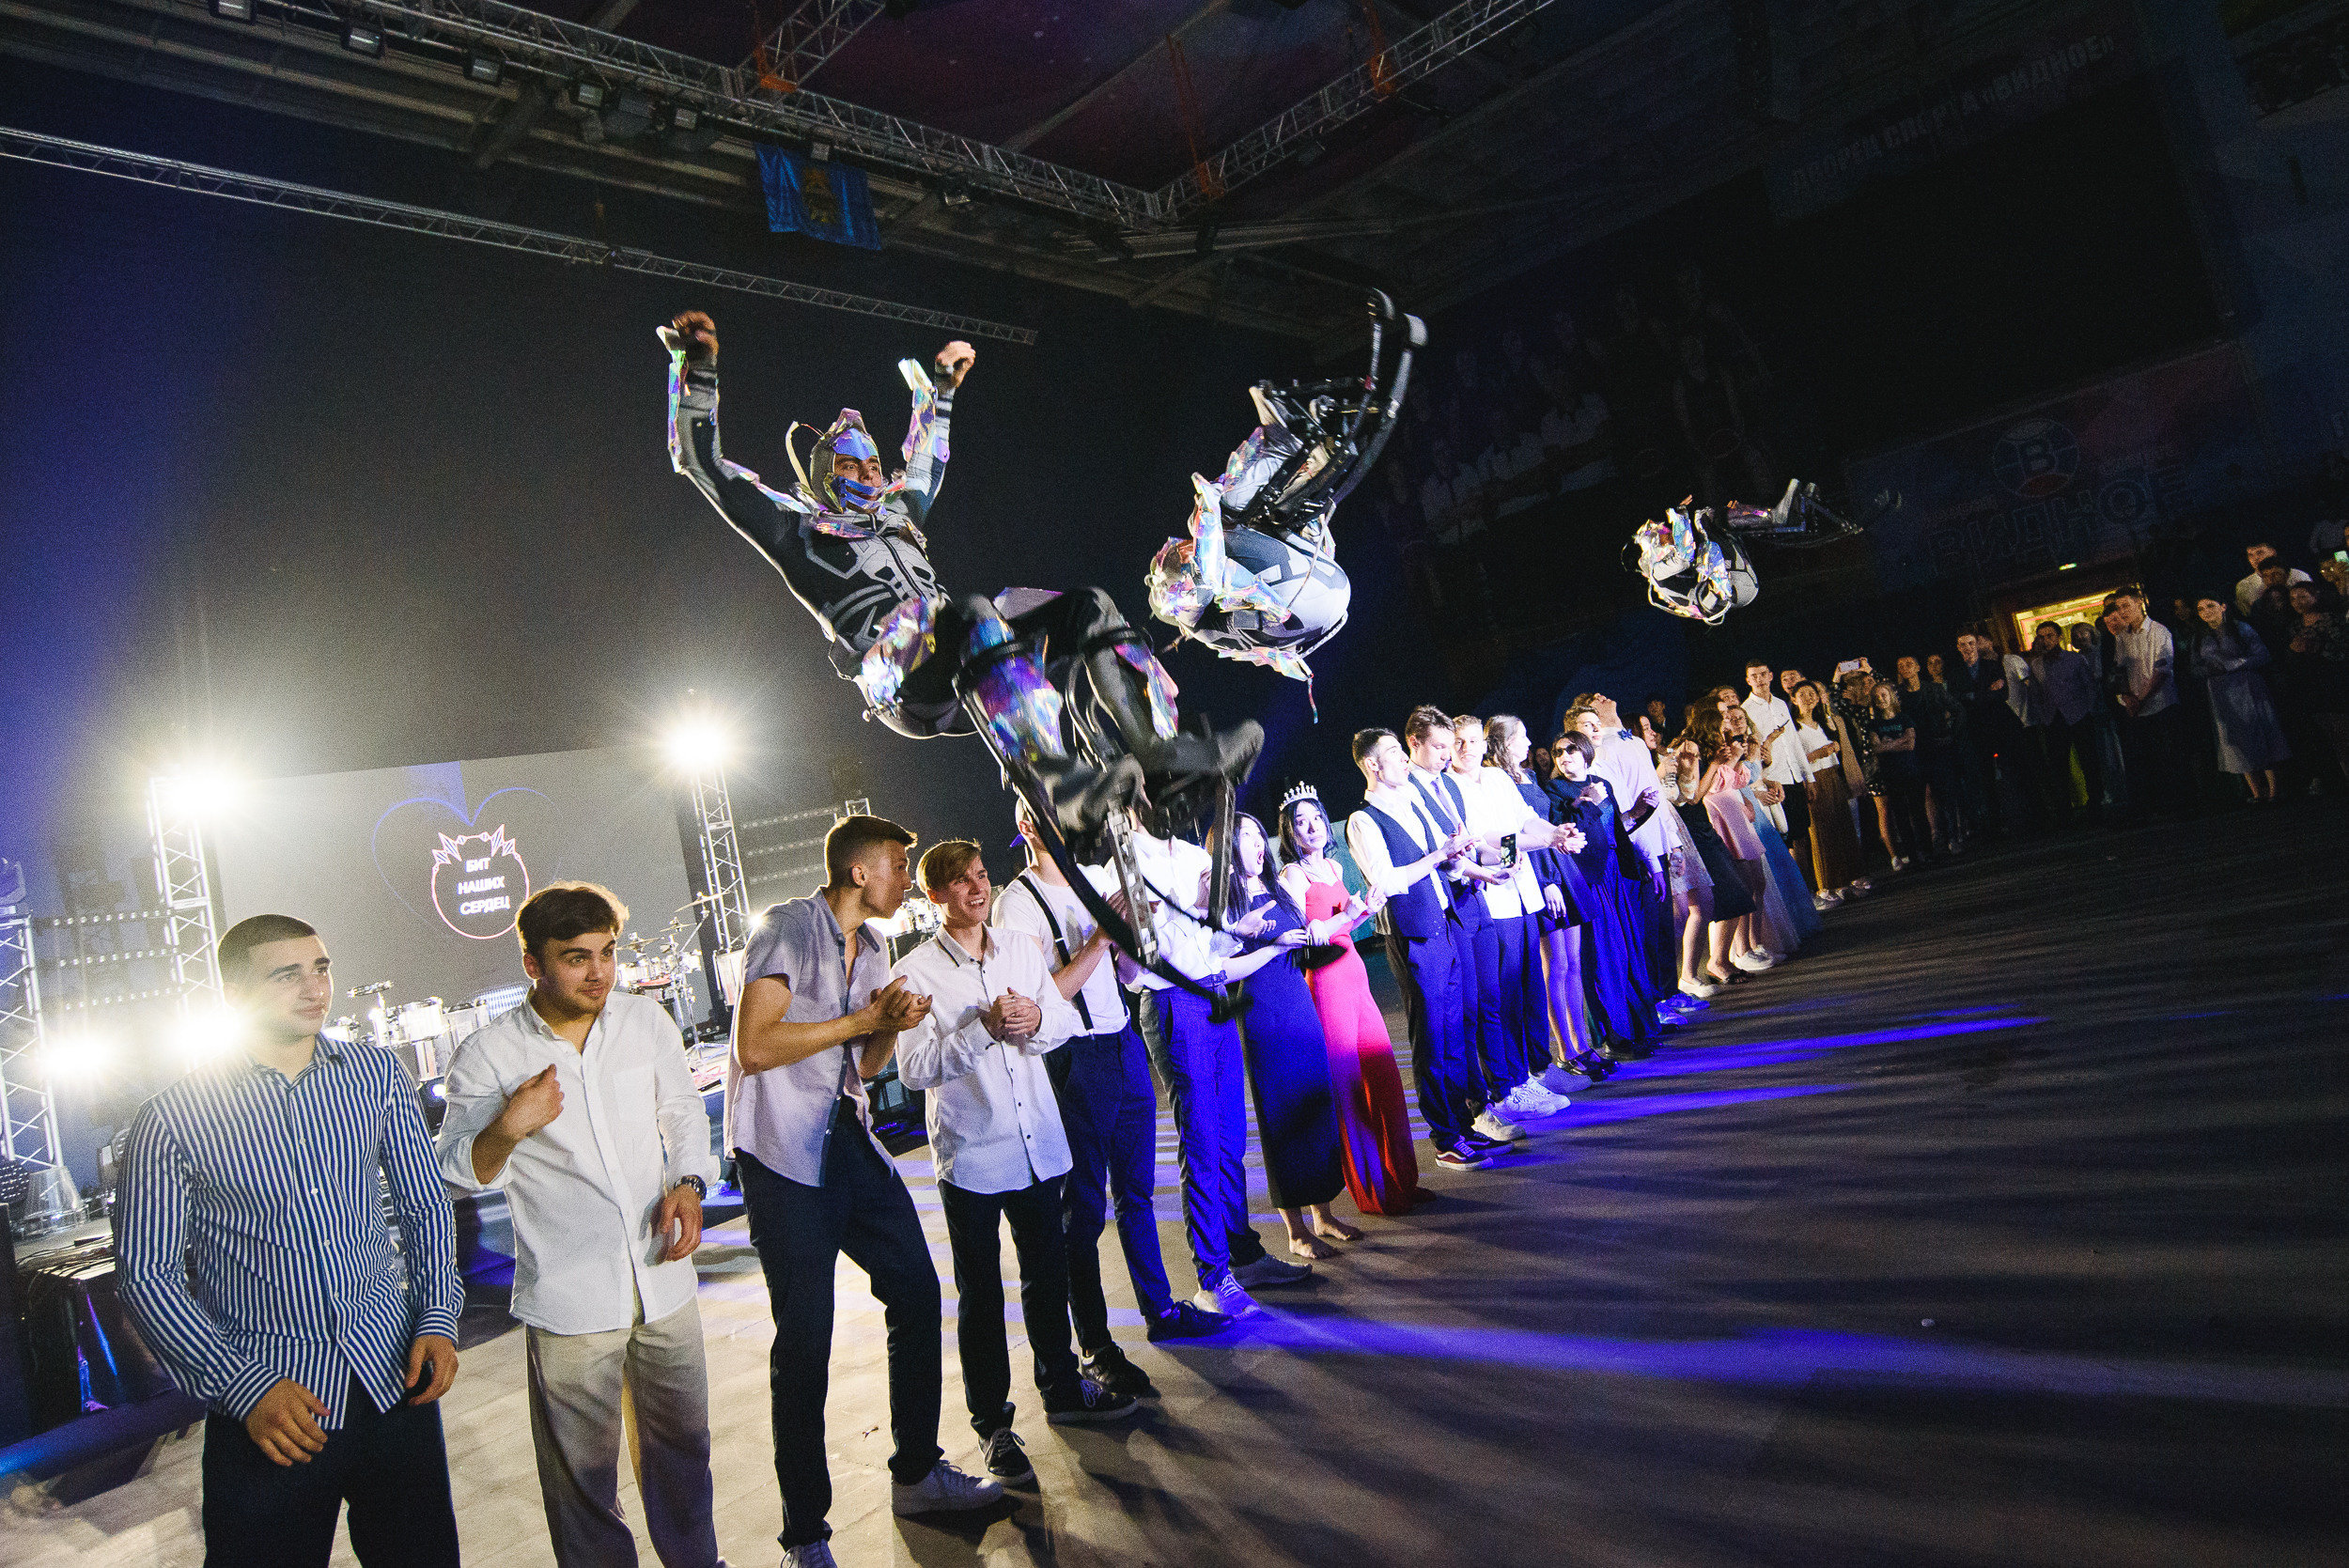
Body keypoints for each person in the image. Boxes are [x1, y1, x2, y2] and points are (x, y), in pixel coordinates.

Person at [658, 309, 1254, 852]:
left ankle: (1165, 757)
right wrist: (697, 368)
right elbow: (702, 465)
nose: (868, 474)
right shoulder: (796, 530)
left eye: (872, 464)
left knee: (1087, 605)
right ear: (823, 476)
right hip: (901, 678)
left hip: (971, 652)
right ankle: (1068, 793)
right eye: (850, 466)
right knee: (969, 609)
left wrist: (939, 393)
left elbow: (925, 465)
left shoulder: (899, 516)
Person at [117, 915, 462, 1567]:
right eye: (287, 974)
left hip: (396, 1379)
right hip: (274, 1405)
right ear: (235, 994)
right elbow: (147, 1276)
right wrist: (243, 1386)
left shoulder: (373, 1074)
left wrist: (438, 1316)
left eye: (321, 967)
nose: (315, 988)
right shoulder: (173, 1118)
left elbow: (424, 1204)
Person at [727, 815, 1000, 1567]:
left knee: (916, 1289)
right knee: (806, 1339)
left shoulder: (877, 946)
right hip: (781, 1151)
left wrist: (891, 1024)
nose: (907, 874)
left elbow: (868, 1060)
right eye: (900, 862)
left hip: (845, 1135)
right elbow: (755, 1046)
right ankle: (805, 1535)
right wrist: (864, 1016)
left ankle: (916, 1471)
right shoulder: (789, 927)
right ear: (859, 871)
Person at [433, 884, 721, 1568]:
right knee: (583, 1486)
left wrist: (688, 1181)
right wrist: (508, 1124)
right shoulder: (488, 1055)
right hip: (571, 1297)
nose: (599, 972)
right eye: (576, 957)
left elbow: (682, 1109)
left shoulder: (644, 1021)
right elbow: (453, 1170)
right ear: (533, 965)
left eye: (607, 952)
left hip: (664, 1275)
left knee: (685, 1454)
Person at [892, 842, 1138, 1485]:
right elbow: (914, 1068)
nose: (976, 886)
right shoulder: (916, 971)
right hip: (973, 1149)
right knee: (981, 1291)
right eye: (959, 880)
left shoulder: (1020, 949)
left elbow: (1059, 1024)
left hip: (1039, 1141)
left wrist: (1034, 1018)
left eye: (980, 874)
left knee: (1046, 1272)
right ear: (934, 896)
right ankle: (993, 1426)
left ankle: (1061, 1385)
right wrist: (984, 1030)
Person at [992, 805, 1225, 1373]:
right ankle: (1097, 1346)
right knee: (1085, 1211)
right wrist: (1100, 938)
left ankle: (1161, 1310)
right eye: (1052, 818)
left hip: (1121, 1038)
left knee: (1138, 1192)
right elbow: (1039, 1000)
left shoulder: (1089, 882)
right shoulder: (1017, 904)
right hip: (1075, 1058)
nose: (1070, 827)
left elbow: (1118, 974)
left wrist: (1129, 940)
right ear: (1027, 826)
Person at [1125, 821, 1311, 1321]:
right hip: (1170, 1001)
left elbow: (1214, 950)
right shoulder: (1120, 862)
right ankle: (1213, 1276)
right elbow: (1132, 964)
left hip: (1213, 997)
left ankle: (1243, 1256)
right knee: (1203, 1143)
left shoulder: (1190, 855)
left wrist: (1234, 931)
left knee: (1231, 1141)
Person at [1346, 726, 1507, 1171]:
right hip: (1415, 934)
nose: (1403, 759)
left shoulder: (1413, 802)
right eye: (1394, 752)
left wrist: (1473, 867)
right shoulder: (1364, 820)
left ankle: (1463, 1122)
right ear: (1372, 764)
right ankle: (1444, 1136)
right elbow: (1388, 881)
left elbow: (1447, 859)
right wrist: (1439, 854)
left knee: (1456, 1029)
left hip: (1446, 924)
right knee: (1431, 1037)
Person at [1276, 787, 1425, 1213]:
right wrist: (1348, 914)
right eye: (1300, 821)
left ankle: (1402, 1178)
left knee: (1383, 1075)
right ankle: (1374, 1191)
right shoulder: (1292, 875)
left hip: (1356, 976)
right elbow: (1309, 935)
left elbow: (1346, 925)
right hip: (1325, 981)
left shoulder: (1334, 865)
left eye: (1316, 817)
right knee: (1347, 1086)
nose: (1311, 826)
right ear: (1289, 832)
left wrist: (1366, 909)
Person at [1219, 813, 1358, 1259]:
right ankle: (1296, 1231)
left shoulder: (1277, 890)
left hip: (1299, 1003)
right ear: (1224, 847)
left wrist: (1352, 915)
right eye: (1244, 840)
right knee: (1281, 1118)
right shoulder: (1226, 904)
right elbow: (1222, 971)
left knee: (1316, 1106)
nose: (1257, 847)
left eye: (1259, 837)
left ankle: (1323, 1212)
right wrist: (1273, 949)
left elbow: (1307, 942)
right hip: (1263, 1012)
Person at [1399, 706, 1524, 1146]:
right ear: (1413, 743)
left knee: (1487, 1001)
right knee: (1461, 1014)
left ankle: (1499, 1093)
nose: (1449, 755)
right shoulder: (1409, 787)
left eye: (1451, 746)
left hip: (1474, 900)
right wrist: (1479, 869)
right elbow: (1447, 855)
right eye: (1440, 747)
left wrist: (1505, 858)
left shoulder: (1446, 784)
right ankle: (1477, 1106)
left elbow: (1473, 840)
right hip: (1448, 905)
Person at [1453, 713, 1574, 1117]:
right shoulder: (1448, 787)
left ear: (1485, 745)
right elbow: (1481, 840)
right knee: (1501, 995)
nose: (1467, 748)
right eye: (1460, 742)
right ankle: (1510, 1083)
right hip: (1493, 896)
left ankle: (1531, 1073)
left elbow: (1525, 818)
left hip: (1523, 894)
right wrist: (1528, 847)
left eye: (1473, 741)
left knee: (1529, 988)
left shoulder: (1499, 779)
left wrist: (1553, 833)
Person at [1482, 717, 1604, 1079]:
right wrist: (1547, 880)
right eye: (1522, 736)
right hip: (1537, 876)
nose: (1530, 741)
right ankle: (1562, 1051)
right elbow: (1511, 838)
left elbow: (1538, 825)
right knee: (1553, 967)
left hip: (1556, 866)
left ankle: (1582, 1045)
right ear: (1504, 743)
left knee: (1572, 963)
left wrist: (1560, 834)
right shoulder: (1495, 781)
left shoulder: (1525, 777)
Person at [1551, 731, 1675, 1053]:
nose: (1564, 757)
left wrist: (1639, 812)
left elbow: (1614, 828)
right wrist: (1586, 802)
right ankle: (1614, 1037)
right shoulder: (1556, 790)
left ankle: (1641, 1027)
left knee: (1630, 952)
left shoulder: (1599, 781)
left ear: (1586, 753)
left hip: (1616, 873)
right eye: (1558, 752)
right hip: (1588, 879)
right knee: (1603, 959)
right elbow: (1568, 830)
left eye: (1571, 750)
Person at [2187, 596, 2291, 802]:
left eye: (2210, 606)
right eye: (2201, 609)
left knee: (2259, 733)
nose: (2206, 611)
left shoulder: (2241, 629)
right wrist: (2208, 669)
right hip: (2220, 693)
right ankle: (2255, 792)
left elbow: (2262, 655)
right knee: (2235, 740)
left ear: (2223, 606)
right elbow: (2194, 668)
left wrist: (2233, 664)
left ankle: (2273, 790)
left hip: (2247, 687)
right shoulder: (2199, 637)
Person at [2107, 589, 2195, 819]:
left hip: (2160, 702)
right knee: (2148, 759)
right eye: (2119, 607)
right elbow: (2120, 669)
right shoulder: (2122, 636)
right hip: (2136, 706)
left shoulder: (2158, 630)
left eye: (2126, 605)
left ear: (2139, 604)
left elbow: (2162, 669)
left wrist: (2141, 698)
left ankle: (2181, 804)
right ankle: (2157, 805)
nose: (2122, 612)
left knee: (2170, 756)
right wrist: (2127, 696)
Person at [1952, 630, 2038, 837]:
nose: (1968, 648)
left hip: (2001, 727)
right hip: (1976, 731)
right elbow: (1957, 699)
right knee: (1985, 778)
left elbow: (2002, 693)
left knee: (2013, 771)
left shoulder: (1991, 665)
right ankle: (1995, 823)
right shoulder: (1955, 673)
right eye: (1963, 644)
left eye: (1971, 643)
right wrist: (1985, 693)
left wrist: (1972, 696)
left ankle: (2024, 818)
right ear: (1958, 648)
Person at [1790, 680, 1868, 897]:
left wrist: (1833, 749)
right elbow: (1793, 760)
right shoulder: (1793, 728)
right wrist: (1819, 753)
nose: (1808, 698)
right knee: (1822, 832)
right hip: (1815, 781)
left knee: (1842, 826)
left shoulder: (1823, 722)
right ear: (1794, 699)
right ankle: (1827, 885)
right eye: (1802, 694)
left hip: (1833, 776)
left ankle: (1848, 878)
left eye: (1812, 693)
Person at [2026, 621, 2105, 827]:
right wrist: (2043, 715)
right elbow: (2035, 694)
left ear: (2059, 636)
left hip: (2078, 715)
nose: (2045, 641)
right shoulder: (2037, 664)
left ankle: (2095, 803)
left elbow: (2089, 686)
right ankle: (2065, 810)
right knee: (2058, 767)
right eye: (2041, 637)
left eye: (2050, 636)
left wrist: (2088, 709)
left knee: (2089, 761)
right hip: (2054, 719)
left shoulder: (2074, 659)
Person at [1739, 660, 1812, 873]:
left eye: (1763, 674)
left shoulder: (1781, 704)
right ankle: (1796, 892)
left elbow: (1794, 743)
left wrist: (1808, 777)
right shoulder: (1746, 710)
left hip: (1793, 776)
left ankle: (1811, 888)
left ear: (1771, 676)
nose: (1759, 680)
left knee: (1801, 833)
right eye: (1754, 676)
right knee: (1785, 837)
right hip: (1773, 779)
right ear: (1748, 680)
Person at [1895, 656, 1967, 855]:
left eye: (1909, 664)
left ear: (1918, 667)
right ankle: (1935, 839)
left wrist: (1951, 735)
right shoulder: (1898, 695)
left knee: (1945, 792)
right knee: (1922, 796)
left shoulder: (1933, 689)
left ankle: (1954, 835)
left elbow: (1958, 710)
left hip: (1937, 746)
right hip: (1914, 750)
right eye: (1900, 666)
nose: (1905, 668)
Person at [2282, 582, 2349, 781]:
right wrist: (2294, 651)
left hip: (2335, 681)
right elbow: (2289, 659)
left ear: (2315, 597)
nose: (2298, 602)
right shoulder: (2294, 626)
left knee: (2342, 730)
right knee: (2330, 735)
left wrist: (2316, 648)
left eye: (2302, 597)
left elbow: (2343, 650)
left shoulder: (2330, 620)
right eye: (2293, 599)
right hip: (2311, 685)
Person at [1866, 682, 1930, 865]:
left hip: (1911, 770)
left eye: (1884, 694)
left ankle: (1927, 851)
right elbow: (1877, 748)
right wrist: (1898, 742)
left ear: (1891, 696)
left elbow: (1910, 744)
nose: (1881, 699)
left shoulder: (1904, 719)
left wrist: (1888, 744)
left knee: (1918, 812)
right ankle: (1912, 854)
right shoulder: (1874, 724)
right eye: (1877, 696)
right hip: (1891, 774)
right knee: (1900, 815)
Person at [2235, 542, 2311, 614]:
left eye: (2260, 553)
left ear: (2273, 552)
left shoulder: (2299, 576)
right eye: (2250, 555)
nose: (2255, 558)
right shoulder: (2244, 586)